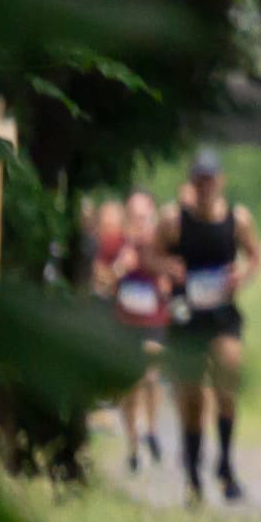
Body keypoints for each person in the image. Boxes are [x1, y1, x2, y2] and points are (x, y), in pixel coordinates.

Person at [158, 149, 260, 504]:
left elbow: (256, 257)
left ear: (220, 181)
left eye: (210, 179)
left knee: (227, 381)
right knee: (192, 397)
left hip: (222, 316)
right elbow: (150, 254)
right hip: (187, 317)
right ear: (192, 182)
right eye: (198, 179)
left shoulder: (238, 219)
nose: (204, 186)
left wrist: (242, 276)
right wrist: (167, 267)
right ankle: (192, 476)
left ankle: (226, 464)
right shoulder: (174, 220)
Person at [91, 194, 170, 471]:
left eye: (145, 217)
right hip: (124, 323)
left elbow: (174, 278)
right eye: (135, 217)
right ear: (128, 218)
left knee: (151, 374)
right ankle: (134, 445)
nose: (141, 222)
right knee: (131, 386)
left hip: (153, 320)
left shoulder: (160, 246)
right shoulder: (114, 244)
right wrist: (120, 267)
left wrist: (164, 279)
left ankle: (151, 430)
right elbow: (100, 280)